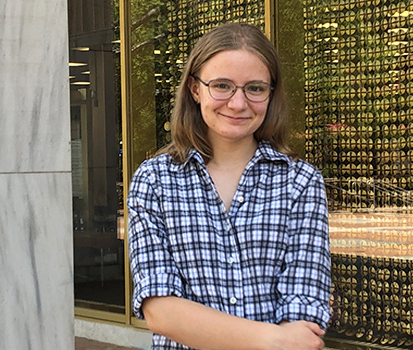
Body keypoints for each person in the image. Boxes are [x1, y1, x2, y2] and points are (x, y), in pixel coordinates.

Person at [127, 22, 331, 350]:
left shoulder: (300, 182)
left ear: (271, 93)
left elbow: (304, 308)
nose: (237, 104)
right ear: (194, 89)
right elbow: (160, 310)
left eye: (255, 88)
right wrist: (273, 339)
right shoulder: (154, 181)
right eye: (222, 86)